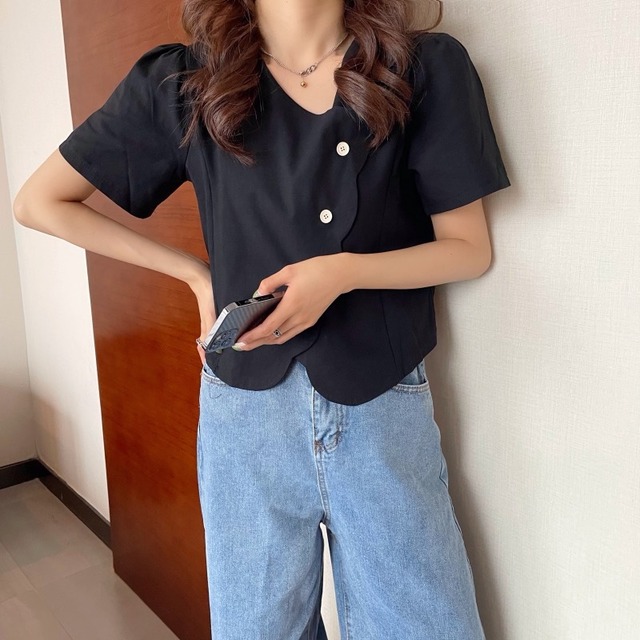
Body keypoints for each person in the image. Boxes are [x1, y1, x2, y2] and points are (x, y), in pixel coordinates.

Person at [13, 0, 510, 637]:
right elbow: (40, 202)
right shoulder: (187, 83)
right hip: (244, 420)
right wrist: (196, 275)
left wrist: (342, 273)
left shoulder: (422, 68)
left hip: (381, 405)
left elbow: (469, 248)